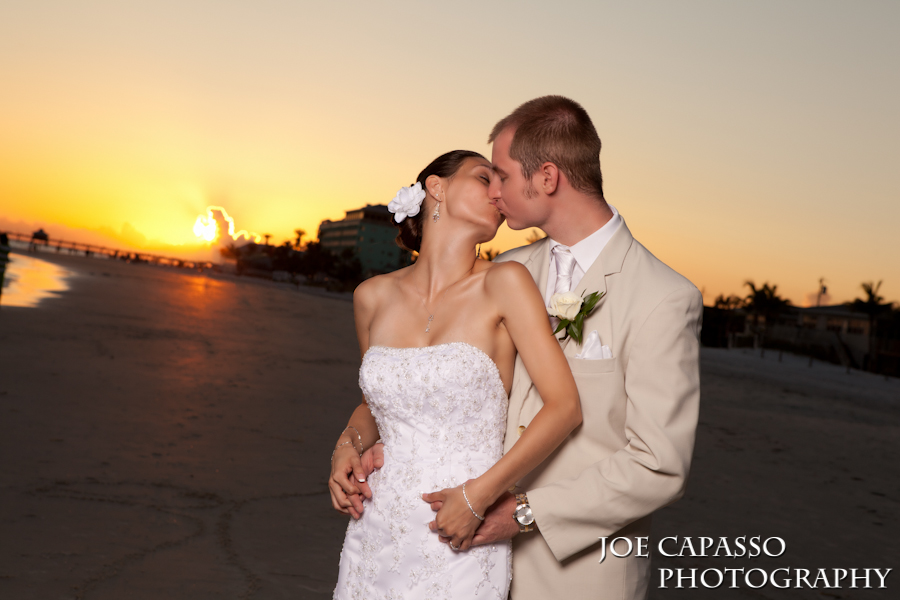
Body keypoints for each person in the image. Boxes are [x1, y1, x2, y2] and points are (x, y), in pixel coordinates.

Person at [348, 97, 703, 599]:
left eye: (501, 175)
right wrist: (365, 442)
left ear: (548, 178)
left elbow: (658, 465)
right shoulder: (506, 271)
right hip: (453, 551)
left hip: (575, 575)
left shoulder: (662, 297)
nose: (495, 191)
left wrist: (522, 513)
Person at [329, 150, 582, 599]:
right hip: (376, 525)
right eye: (485, 176)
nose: (497, 191)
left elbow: (564, 408)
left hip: (461, 528)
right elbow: (375, 406)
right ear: (435, 187)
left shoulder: (505, 283)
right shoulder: (371, 296)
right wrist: (346, 446)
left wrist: (477, 498)